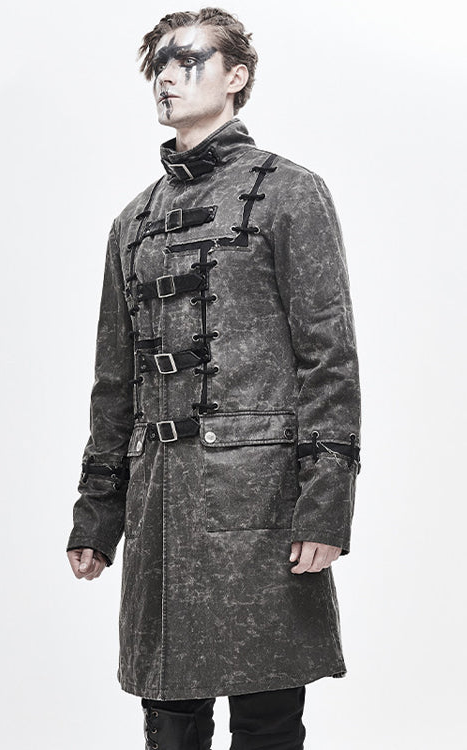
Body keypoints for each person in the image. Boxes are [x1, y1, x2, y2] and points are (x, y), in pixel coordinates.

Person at [66, 7, 362, 749]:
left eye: (188, 61)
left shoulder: (290, 192)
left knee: (267, 712)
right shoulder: (133, 221)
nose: (167, 78)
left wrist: (325, 508)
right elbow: (115, 381)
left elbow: (329, 356)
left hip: (261, 501)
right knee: (168, 716)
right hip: (160, 501)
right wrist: (97, 514)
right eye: (159, 66)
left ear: (236, 76)